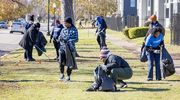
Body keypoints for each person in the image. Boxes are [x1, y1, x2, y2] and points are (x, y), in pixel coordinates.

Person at [58, 17, 79, 82]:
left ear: (70, 23)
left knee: (70, 63)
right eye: (64, 23)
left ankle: (68, 76)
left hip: (70, 49)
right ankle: (62, 74)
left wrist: (69, 40)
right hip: (62, 48)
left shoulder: (74, 30)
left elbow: (76, 39)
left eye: (66, 23)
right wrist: (60, 38)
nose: (65, 24)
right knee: (61, 62)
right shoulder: (63, 30)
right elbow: (59, 38)